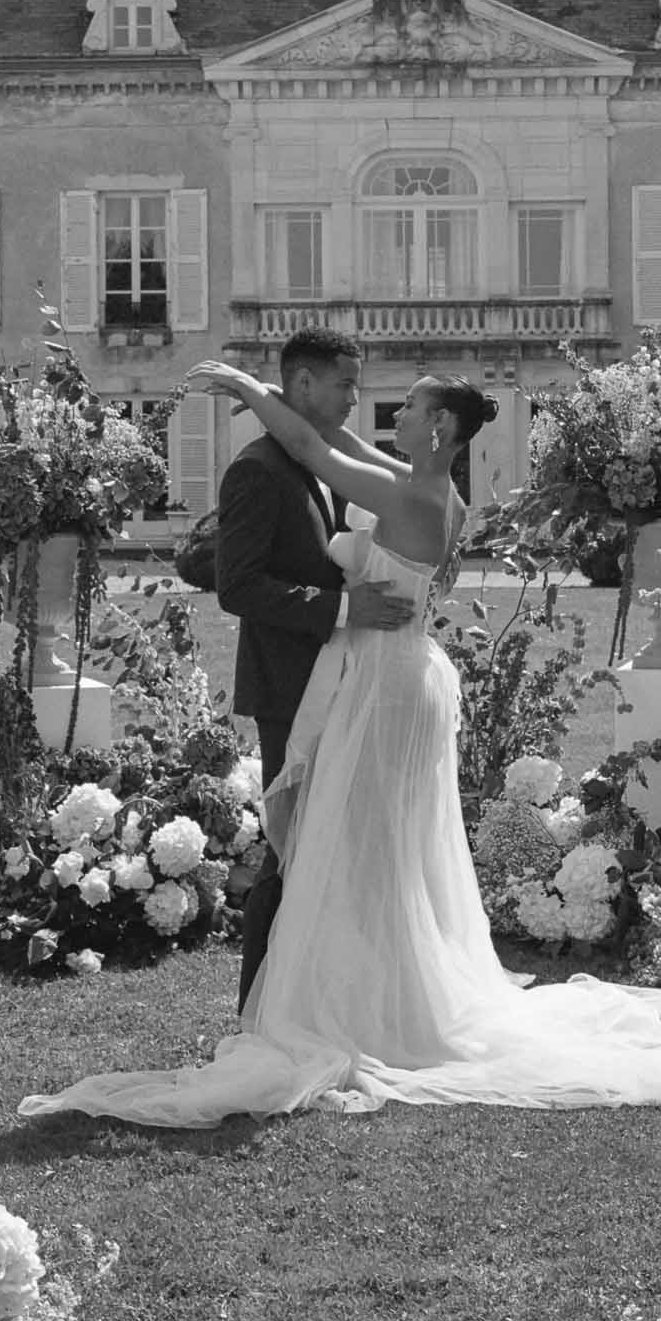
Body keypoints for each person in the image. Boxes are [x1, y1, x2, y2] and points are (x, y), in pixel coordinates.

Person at [17, 368, 661, 1130]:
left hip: (386, 686)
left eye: (413, 407)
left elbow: (319, 452)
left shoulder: (412, 494)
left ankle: (369, 1007)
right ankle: (380, 986)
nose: (395, 415)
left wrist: (253, 393)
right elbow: (334, 437)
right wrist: (301, 398)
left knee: (365, 839)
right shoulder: (430, 484)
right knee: (381, 843)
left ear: (442, 429)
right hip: (401, 675)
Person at [211, 327, 414, 1010]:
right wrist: (339, 607)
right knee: (289, 846)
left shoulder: (315, 462)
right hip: (288, 685)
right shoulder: (258, 469)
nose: (356, 399)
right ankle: (257, 1009)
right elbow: (237, 586)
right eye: (344, 384)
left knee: (328, 847)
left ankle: (311, 998)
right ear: (302, 385)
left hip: (342, 684)